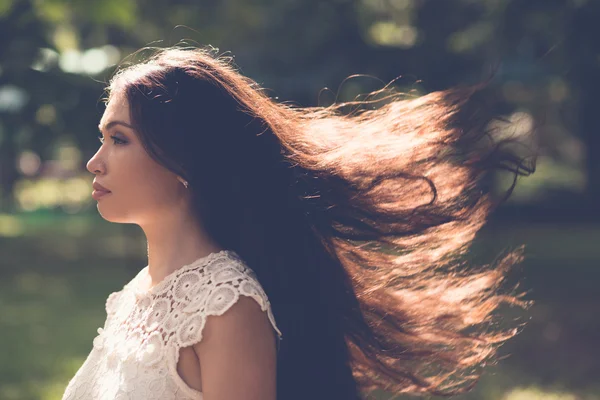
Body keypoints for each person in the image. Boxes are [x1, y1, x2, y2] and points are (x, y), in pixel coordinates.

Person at [61, 45, 535, 400]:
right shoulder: (138, 292)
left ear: (183, 158)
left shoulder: (224, 306)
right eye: (102, 140)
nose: (94, 163)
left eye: (119, 140)